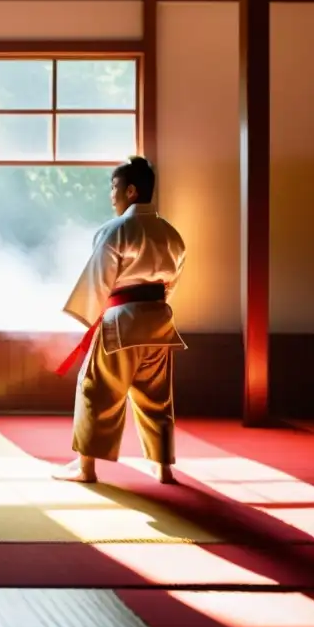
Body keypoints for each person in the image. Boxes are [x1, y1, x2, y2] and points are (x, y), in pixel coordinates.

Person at [52, 156, 187, 485]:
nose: (111, 195)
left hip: (121, 323)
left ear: (130, 190)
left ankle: (86, 468)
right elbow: (171, 282)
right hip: (158, 322)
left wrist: (91, 314)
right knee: (156, 397)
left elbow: (100, 279)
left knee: (96, 390)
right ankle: (162, 466)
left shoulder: (115, 230)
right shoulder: (172, 234)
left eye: (114, 187)